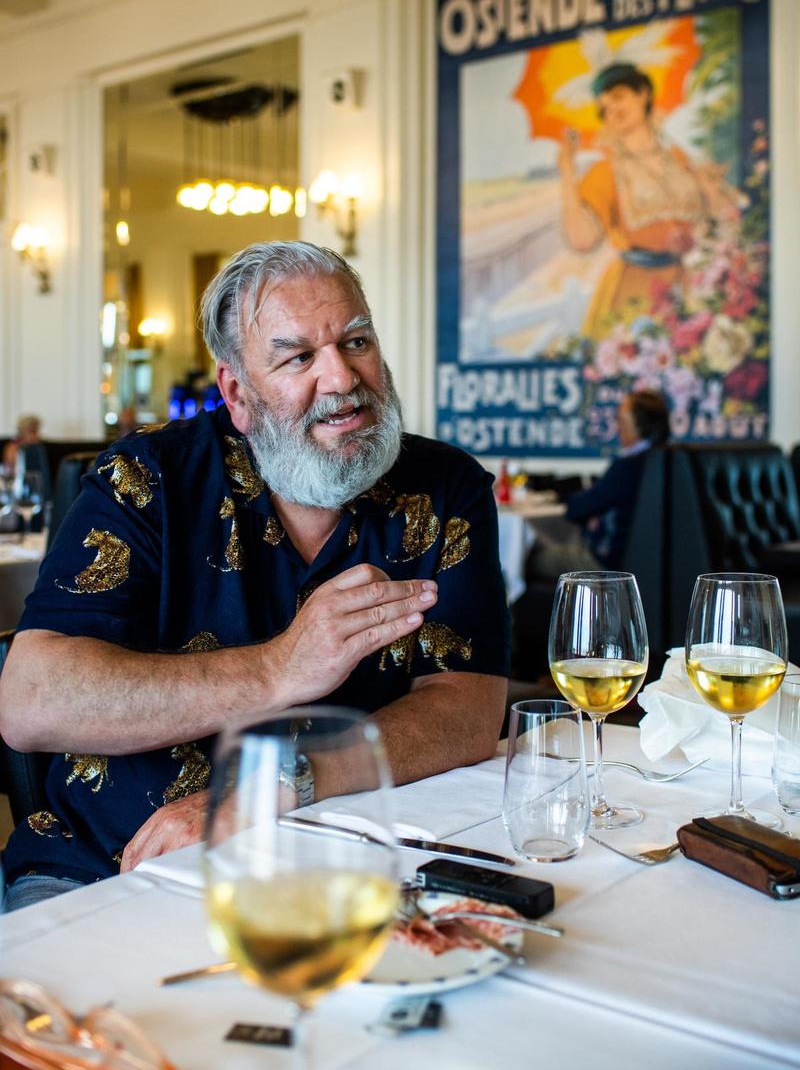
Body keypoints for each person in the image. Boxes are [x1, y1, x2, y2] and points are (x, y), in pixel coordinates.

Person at [0, 241, 509, 909]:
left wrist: (277, 788)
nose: (342, 378)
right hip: (105, 873)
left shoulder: (444, 488)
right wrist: (279, 669)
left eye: (356, 341)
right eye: (299, 357)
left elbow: (469, 709)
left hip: (337, 873)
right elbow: (30, 700)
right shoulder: (146, 481)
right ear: (238, 393)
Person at [558, 63, 741, 339]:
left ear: (643, 93)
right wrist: (567, 174)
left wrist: (708, 185)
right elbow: (582, 241)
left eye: (618, 96)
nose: (612, 109)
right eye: (604, 108)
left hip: (693, 288)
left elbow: (726, 218)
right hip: (637, 296)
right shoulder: (604, 172)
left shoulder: (679, 158)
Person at [525, 389, 670, 578]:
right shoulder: (668, 463)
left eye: (621, 420)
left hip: (611, 565)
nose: (617, 427)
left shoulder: (629, 467)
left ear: (640, 426)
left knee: (531, 558)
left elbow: (576, 509)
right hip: (654, 564)